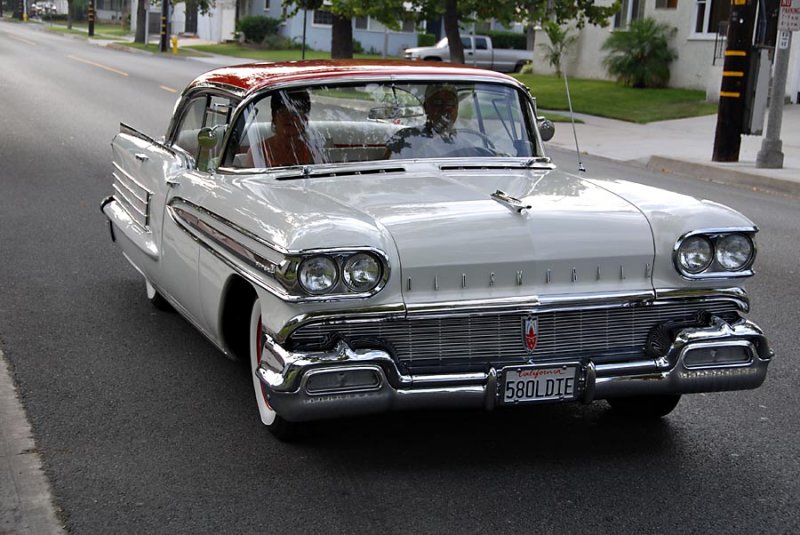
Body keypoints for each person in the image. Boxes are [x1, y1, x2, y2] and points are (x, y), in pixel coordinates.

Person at [385, 84, 488, 159]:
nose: (445, 109)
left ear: (457, 109)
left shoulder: (466, 144)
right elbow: (387, 173)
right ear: (426, 107)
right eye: (437, 103)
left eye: (450, 104)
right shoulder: (405, 138)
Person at [243, 90, 324, 168]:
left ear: (304, 120)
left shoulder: (311, 152)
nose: (289, 118)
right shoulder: (258, 152)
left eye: (296, 113)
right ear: (274, 118)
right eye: (283, 112)